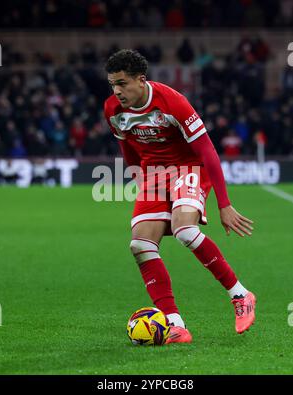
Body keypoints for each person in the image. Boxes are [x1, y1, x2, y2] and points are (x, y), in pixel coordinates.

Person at [104, 49, 256, 344]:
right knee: (139, 244)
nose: (117, 91)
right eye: (112, 84)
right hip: (153, 176)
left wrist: (224, 204)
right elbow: (127, 149)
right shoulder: (112, 109)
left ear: (141, 79)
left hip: (189, 168)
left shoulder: (172, 102)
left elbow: (207, 151)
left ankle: (240, 295)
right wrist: (140, 181)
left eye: (122, 83)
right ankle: (175, 325)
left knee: (186, 230)